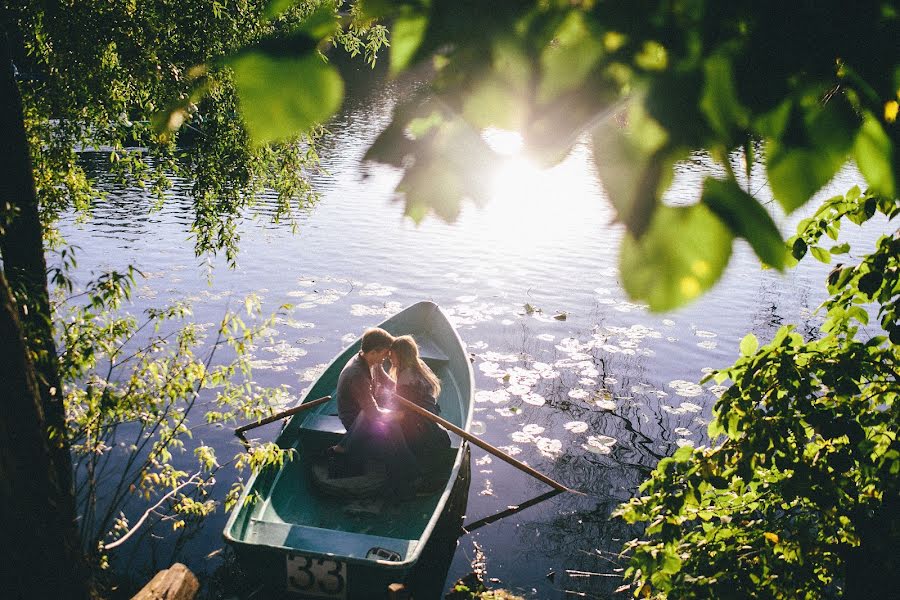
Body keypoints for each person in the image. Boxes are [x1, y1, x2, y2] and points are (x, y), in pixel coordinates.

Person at [328, 327, 420, 496]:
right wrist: (398, 415)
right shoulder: (357, 375)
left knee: (396, 427)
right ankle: (410, 475)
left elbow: (387, 382)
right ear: (374, 352)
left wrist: (405, 392)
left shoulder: (373, 362)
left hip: (370, 408)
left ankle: (410, 467)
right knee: (394, 434)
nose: (387, 357)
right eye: (385, 353)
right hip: (357, 420)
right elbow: (373, 414)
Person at [388, 335, 451, 484]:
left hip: (418, 421)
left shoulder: (404, 377)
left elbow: (401, 411)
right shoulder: (420, 366)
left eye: (392, 356)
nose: (390, 359)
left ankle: (405, 464)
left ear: (401, 356)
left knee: (388, 427)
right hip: (431, 412)